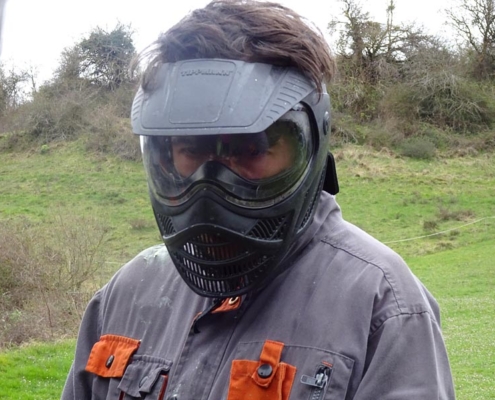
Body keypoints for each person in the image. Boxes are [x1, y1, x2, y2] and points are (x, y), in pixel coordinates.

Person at [62, 1, 456, 399]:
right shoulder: (127, 293)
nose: (211, 188)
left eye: (250, 149)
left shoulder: (381, 306)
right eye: (190, 150)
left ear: (310, 145)